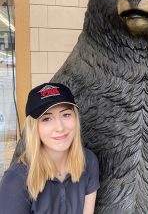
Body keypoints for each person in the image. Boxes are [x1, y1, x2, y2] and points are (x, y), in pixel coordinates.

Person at [0, 83, 100, 214]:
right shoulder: (16, 180)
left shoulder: (88, 161)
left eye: (66, 115)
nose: (60, 127)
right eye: (46, 119)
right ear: (34, 128)